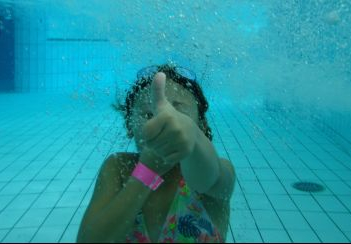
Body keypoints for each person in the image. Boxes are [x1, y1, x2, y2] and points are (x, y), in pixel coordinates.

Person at [77, 63, 236, 243]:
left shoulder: (218, 170)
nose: (164, 123)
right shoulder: (118, 168)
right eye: (148, 114)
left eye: (178, 112)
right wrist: (147, 171)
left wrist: (192, 135)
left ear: (201, 124)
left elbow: (209, 178)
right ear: (129, 125)